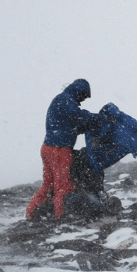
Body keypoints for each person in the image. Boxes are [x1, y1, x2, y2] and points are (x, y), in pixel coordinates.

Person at [26, 79, 98, 220]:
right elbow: (79, 117)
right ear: (79, 91)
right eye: (83, 96)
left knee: (48, 185)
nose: (82, 100)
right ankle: (61, 217)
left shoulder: (61, 100)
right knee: (63, 186)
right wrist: (98, 118)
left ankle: (31, 213)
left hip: (47, 148)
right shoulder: (66, 101)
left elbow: (73, 124)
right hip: (59, 150)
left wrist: (89, 123)